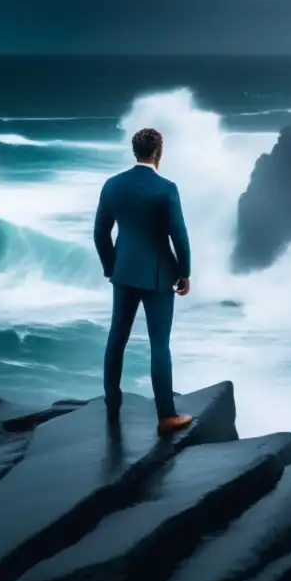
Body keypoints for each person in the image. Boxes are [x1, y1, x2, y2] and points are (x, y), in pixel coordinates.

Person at [93, 127, 194, 435]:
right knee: (159, 345)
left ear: (134, 151)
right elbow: (179, 235)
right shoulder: (166, 188)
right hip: (158, 275)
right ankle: (166, 415)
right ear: (158, 153)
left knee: (117, 337)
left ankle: (112, 402)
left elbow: (100, 233)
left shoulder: (112, 186)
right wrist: (185, 272)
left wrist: (113, 267)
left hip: (124, 272)